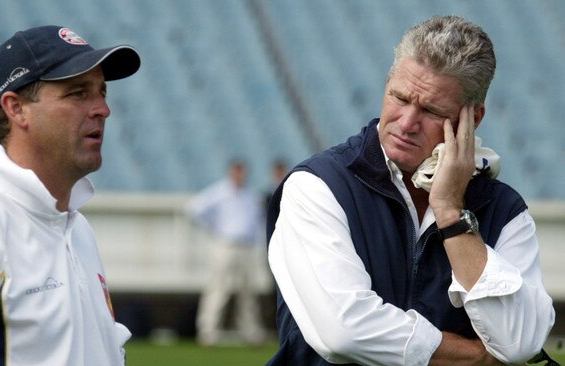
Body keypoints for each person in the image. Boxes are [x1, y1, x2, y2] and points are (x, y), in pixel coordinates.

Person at [266, 16, 555, 365]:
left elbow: (519, 343)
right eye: (400, 97)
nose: (406, 123)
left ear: (473, 119)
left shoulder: (505, 210)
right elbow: (343, 331)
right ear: (387, 84)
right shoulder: (317, 186)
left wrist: (452, 215)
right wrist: (473, 358)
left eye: (431, 110)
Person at [0, 25, 140, 365]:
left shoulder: (75, 227)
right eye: (78, 93)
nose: (102, 109)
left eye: (102, 92)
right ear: (16, 108)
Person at [186, 160, 266, 346]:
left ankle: (251, 333)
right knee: (218, 288)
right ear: (231, 173)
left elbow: (255, 223)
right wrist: (215, 228)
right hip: (225, 245)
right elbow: (194, 209)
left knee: (248, 292)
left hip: (246, 247)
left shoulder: (250, 195)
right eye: (237, 171)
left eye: (242, 172)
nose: (240, 175)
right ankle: (208, 332)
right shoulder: (220, 192)